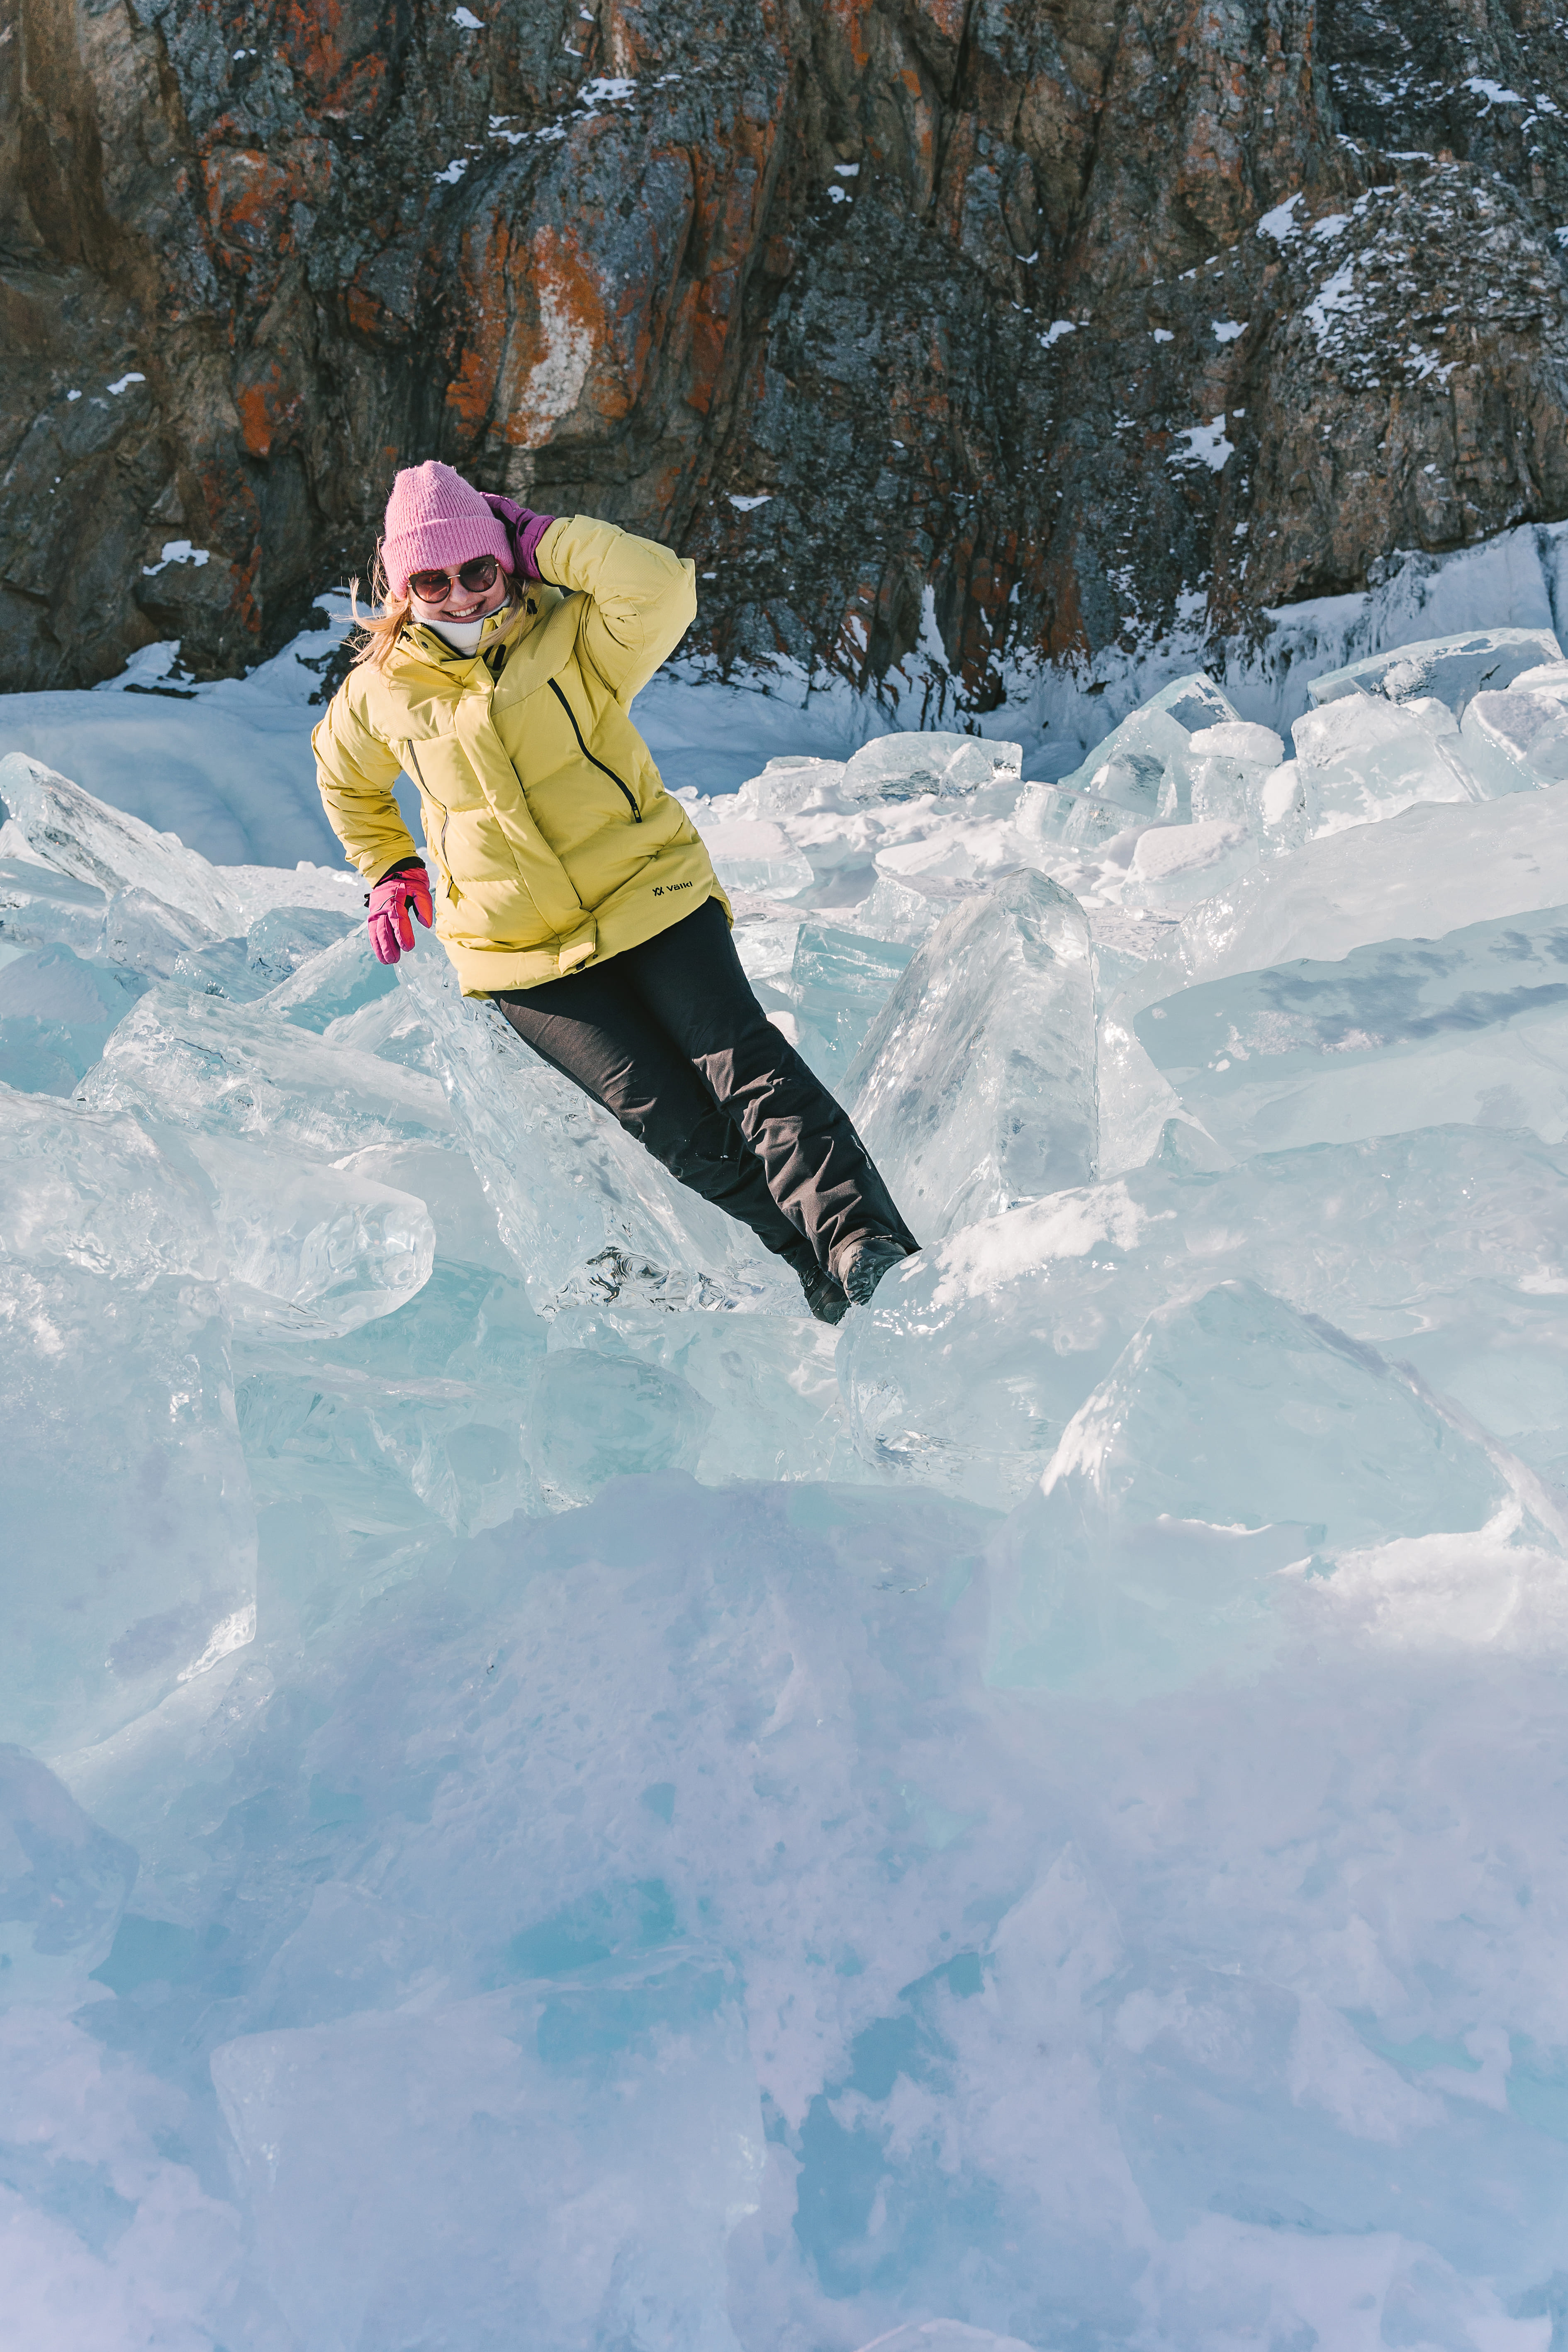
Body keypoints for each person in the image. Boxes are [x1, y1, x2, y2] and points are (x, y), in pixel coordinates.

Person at [312, 460, 918, 1322]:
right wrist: (388, 866)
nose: (458, 595)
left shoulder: (573, 633)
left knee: (745, 1068)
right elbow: (343, 778)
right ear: (400, 586)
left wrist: (543, 538)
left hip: (650, 892)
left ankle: (864, 1245)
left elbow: (663, 588)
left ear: (505, 562)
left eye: (479, 569)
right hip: (522, 956)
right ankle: (814, 1266)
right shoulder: (382, 692)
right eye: (431, 580)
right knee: (677, 1126)